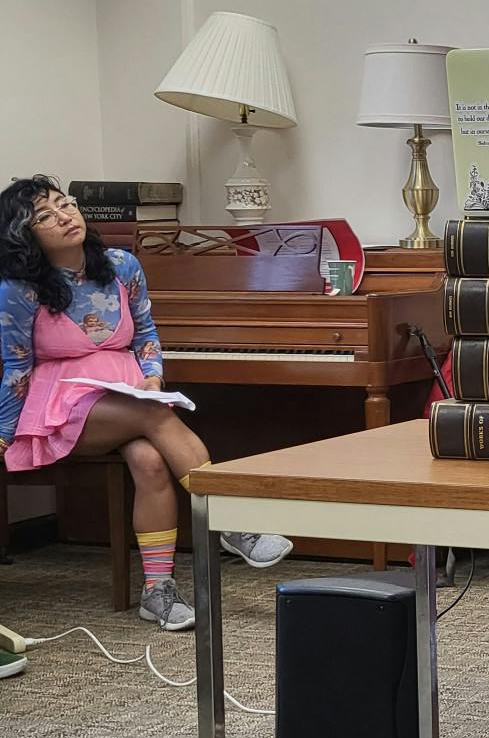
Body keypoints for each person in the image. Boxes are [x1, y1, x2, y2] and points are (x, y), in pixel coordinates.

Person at [0, 179, 291, 631]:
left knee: (151, 459)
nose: (63, 216)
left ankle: (157, 591)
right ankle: (231, 519)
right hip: (62, 406)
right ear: (26, 235)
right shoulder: (18, 290)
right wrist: (3, 434)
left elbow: (147, 334)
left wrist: (152, 374)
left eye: (65, 204)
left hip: (129, 392)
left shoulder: (122, 266)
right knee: (154, 414)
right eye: (44, 216)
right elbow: (15, 367)